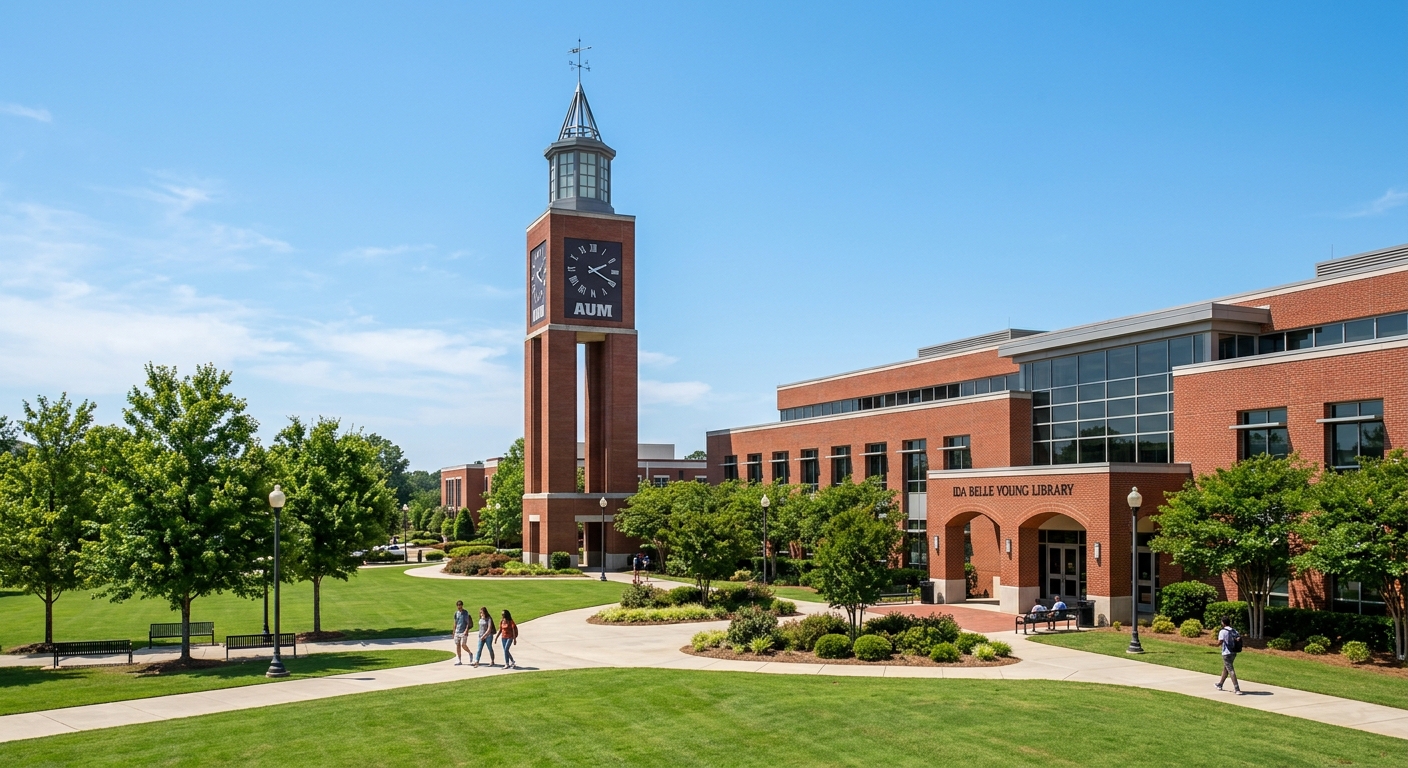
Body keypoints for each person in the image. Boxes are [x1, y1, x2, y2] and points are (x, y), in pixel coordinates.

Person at [1216, 616, 1244, 695]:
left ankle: (1237, 688)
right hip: (1234, 652)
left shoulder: (1223, 631)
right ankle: (1220, 684)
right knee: (1226, 668)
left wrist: (1214, 645)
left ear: (1223, 623)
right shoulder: (1234, 630)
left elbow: (1220, 642)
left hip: (1226, 653)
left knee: (1230, 670)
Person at [452, 600, 471, 665]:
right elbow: (455, 623)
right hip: (457, 631)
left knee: (463, 645)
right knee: (458, 645)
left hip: (463, 631)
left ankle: (470, 653)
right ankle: (459, 659)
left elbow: (468, 622)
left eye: (460, 605)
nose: (459, 607)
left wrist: (466, 630)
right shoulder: (456, 613)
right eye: (458, 605)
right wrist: (454, 631)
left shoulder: (465, 613)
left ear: (462, 605)